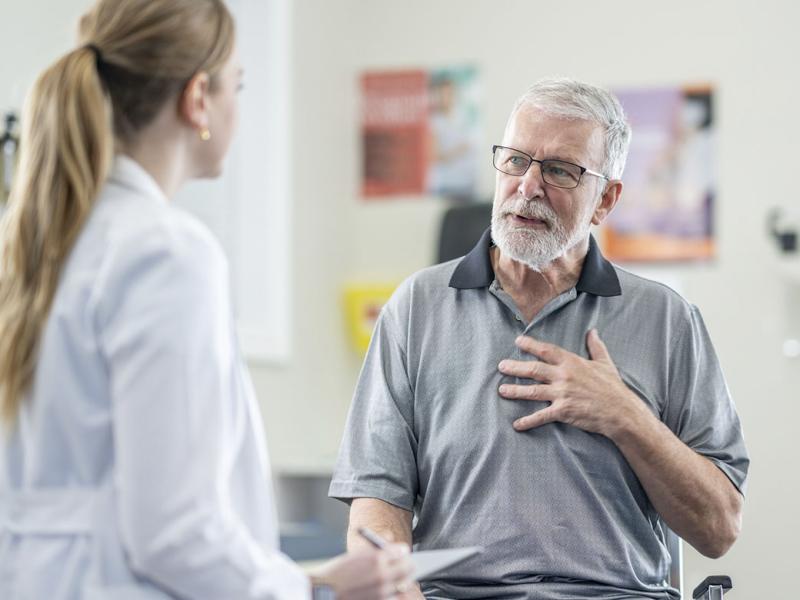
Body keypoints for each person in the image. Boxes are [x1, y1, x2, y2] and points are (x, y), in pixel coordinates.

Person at [0, 1, 413, 599]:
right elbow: (174, 533)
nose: (238, 111)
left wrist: (300, 577)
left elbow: (92, 516)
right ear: (198, 100)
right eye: (236, 88)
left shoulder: (34, 248)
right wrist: (314, 593)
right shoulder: (165, 253)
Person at [330, 78, 749, 600]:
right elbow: (376, 508)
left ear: (605, 199)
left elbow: (719, 529)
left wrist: (626, 417)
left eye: (559, 170)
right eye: (515, 160)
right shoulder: (416, 308)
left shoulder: (668, 320)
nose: (528, 186)